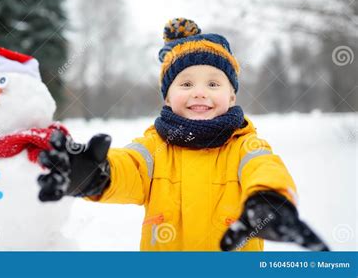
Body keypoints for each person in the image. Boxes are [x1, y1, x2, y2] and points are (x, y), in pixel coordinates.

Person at [38, 18, 329, 251]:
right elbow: (130, 167)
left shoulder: (245, 146)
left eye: (213, 84)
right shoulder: (154, 147)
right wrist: (96, 174)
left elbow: (265, 168)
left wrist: (269, 199)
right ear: (167, 98)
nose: (200, 92)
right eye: (186, 84)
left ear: (231, 97)